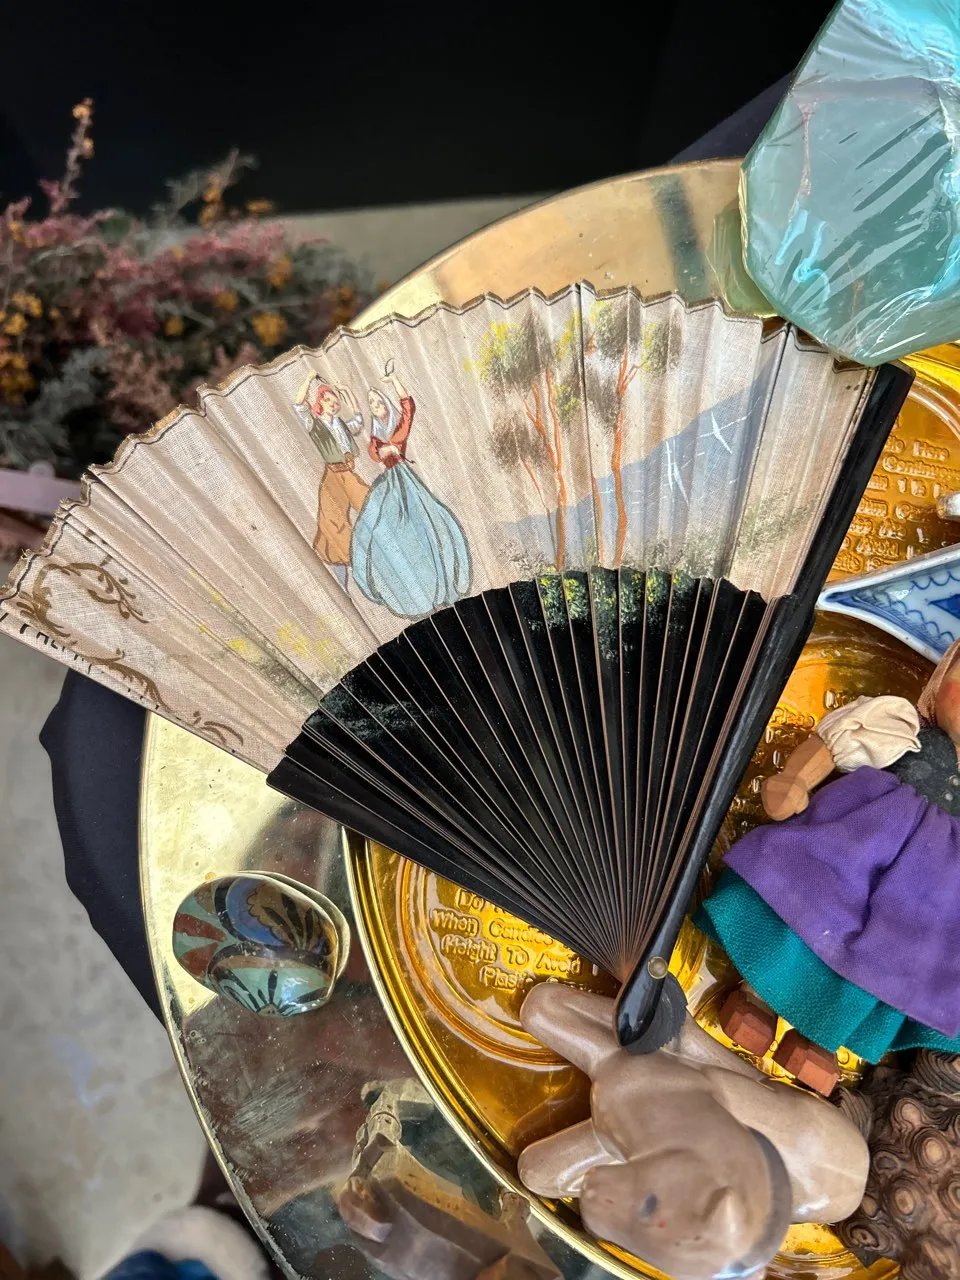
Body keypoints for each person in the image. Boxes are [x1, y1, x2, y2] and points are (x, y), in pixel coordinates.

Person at [699, 638, 960, 1094]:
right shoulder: (904, 730)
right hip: (852, 848)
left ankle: (820, 1040)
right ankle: (756, 998)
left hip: (925, 898)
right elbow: (836, 743)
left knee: (883, 959)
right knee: (806, 910)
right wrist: (795, 779)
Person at [350, 361, 471, 618]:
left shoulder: (397, 428)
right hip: (389, 482)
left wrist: (394, 381)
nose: (377, 407)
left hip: (405, 478)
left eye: (379, 402)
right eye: (372, 404)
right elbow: (374, 453)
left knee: (427, 523)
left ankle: (439, 580)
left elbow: (408, 408)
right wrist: (384, 450)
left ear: (386, 404)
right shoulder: (376, 437)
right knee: (379, 526)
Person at [293, 378, 369, 589]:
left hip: (348, 474)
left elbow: (358, 422)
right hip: (333, 475)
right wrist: (308, 379)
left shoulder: (340, 423)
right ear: (319, 402)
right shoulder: (314, 423)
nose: (333, 404)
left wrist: (348, 393)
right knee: (332, 522)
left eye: (336, 401)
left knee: (371, 504)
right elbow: (298, 405)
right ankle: (345, 567)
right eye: (328, 400)